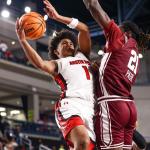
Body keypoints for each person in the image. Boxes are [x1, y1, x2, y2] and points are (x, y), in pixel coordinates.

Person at [16, 0, 96, 149]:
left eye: (70, 42)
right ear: (56, 52)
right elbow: (40, 63)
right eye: (64, 43)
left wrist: (58, 17)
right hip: (70, 104)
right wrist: (23, 41)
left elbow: (84, 29)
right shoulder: (58, 64)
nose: (69, 44)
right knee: (83, 140)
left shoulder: (83, 56)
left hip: (91, 108)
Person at [83, 0, 150, 149]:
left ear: (127, 32)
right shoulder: (134, 52)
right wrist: (97, 71)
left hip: (112, 105)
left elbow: (95, 6)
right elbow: (114, 74)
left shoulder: (121, 38)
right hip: (128, 107)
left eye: (118, 28)